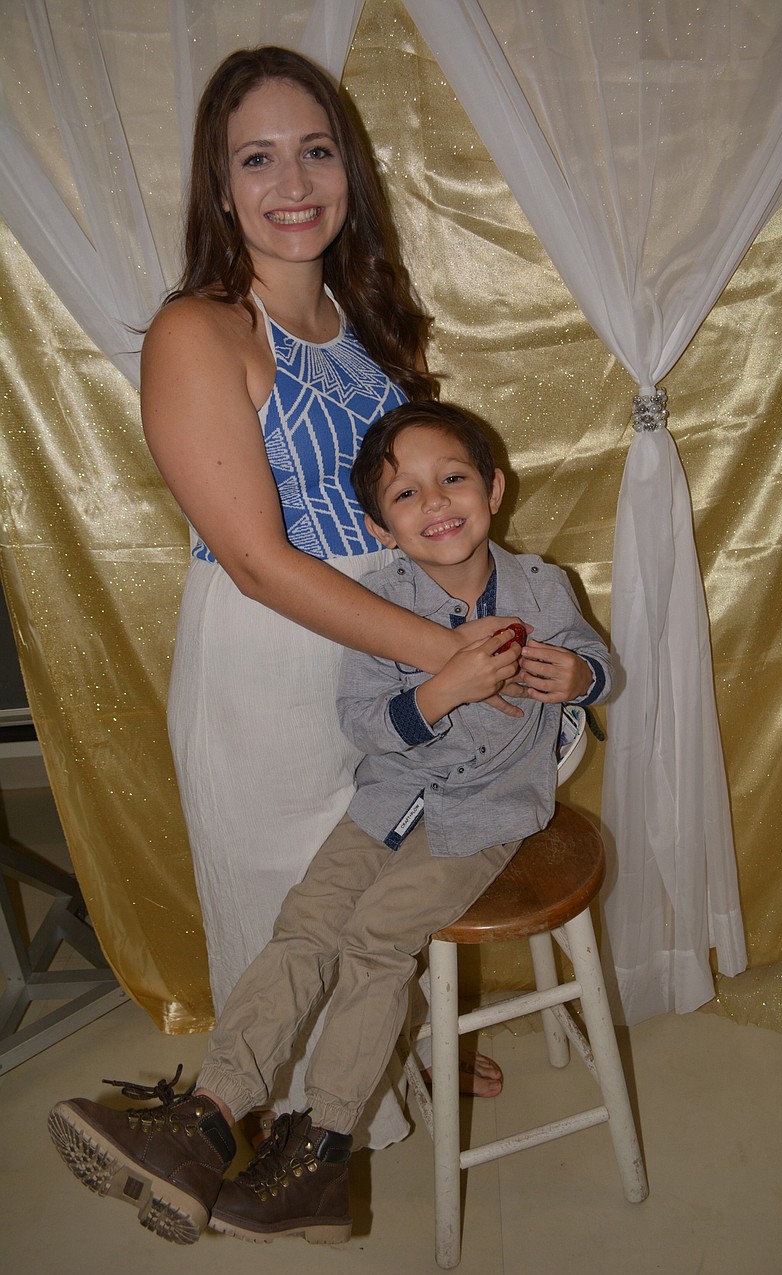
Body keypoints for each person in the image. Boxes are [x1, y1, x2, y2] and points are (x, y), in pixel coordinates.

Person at [48, 401, 613, 1247]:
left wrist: (582, 673)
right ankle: (208, 1117)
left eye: (452, 478)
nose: (435, 503)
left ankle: (320, 1154)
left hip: (486, 817)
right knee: (303, 925)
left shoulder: (542, 587)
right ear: (382, 527)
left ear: (493, 488)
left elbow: (598, 666)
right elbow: (364, 724)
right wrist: (439, 688)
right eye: (405, 495)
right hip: (388, 805)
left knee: (378, 939)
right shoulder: (377, 603)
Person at [138, 45, 516, 1147]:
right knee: (295, 898)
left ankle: (394, 1049)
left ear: (348, 169)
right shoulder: (197, 330)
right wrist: (453, 648)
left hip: (381, 654)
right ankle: (302, 1131)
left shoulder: (359, 318)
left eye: (314, 152)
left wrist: (458, 627)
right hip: (270, 667)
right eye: (257, 159)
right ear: (220, 187)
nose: (291, 184)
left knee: (387, 874)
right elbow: (257, 559)